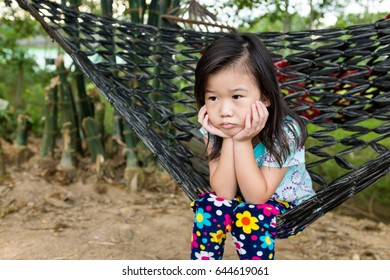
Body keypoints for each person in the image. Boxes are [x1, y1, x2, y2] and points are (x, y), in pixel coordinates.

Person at [190, 33, 316, 260]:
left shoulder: (286, 132)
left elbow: (257, 197)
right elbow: (224, 193)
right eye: (213, 98)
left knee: (252, 214)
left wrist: (242, 139)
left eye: (237, 96)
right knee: (210, 204)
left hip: (286, 206)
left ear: (265, 97)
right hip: (241, 200)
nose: (224, 110)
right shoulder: (213, 128)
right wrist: (229, 137)